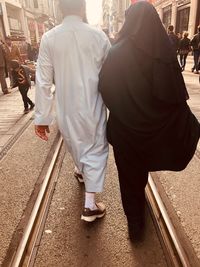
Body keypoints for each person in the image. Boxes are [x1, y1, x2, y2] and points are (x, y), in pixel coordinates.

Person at [99, 1, 200, 242]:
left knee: (129, 176)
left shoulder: (116, 52)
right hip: (156, 132)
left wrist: (125, 111)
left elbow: (106, 89)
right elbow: (176, 95)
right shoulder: (164, 53)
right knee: (142, 168)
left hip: (126, 131)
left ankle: (135, 224)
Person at [34, 0, 111, 222]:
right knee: (95, 147)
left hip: (66, 105)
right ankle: (90, 206)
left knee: (74, 140)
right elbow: (110, 73)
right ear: (82, 7)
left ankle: (80, 170)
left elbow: (43, 81)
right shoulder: (98, 37)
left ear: (59, 8)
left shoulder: (49, 38)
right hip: (93, 102)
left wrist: (42, 118)